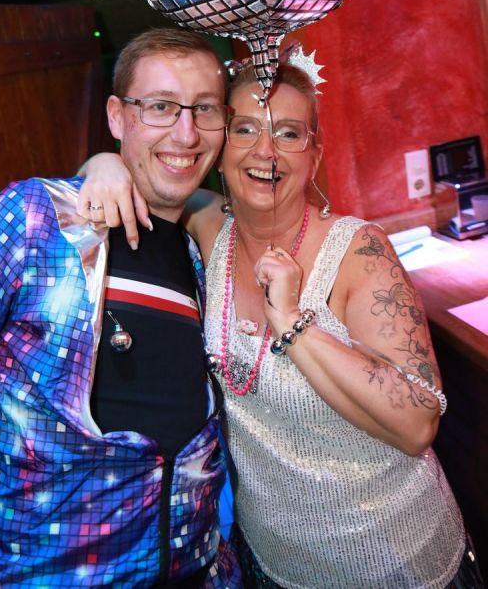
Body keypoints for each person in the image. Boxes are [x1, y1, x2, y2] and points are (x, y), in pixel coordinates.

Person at [78, 46, 478, 589]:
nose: (265, 151)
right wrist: (101, 165)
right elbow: (148, 179)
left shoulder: (359, 251)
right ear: (219, 146)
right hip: (271, 567)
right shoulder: (208, 229)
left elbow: (417, 425)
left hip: (396, 561)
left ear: (314, 153)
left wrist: (293, 322)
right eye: (245, 129)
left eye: (289, 133)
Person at [0, 28, 242, 589]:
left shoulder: (208, 250)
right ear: (117, 116)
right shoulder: (35, 221)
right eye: (160, 106)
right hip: (42, 575)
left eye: (205, 109)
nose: (186, 132)